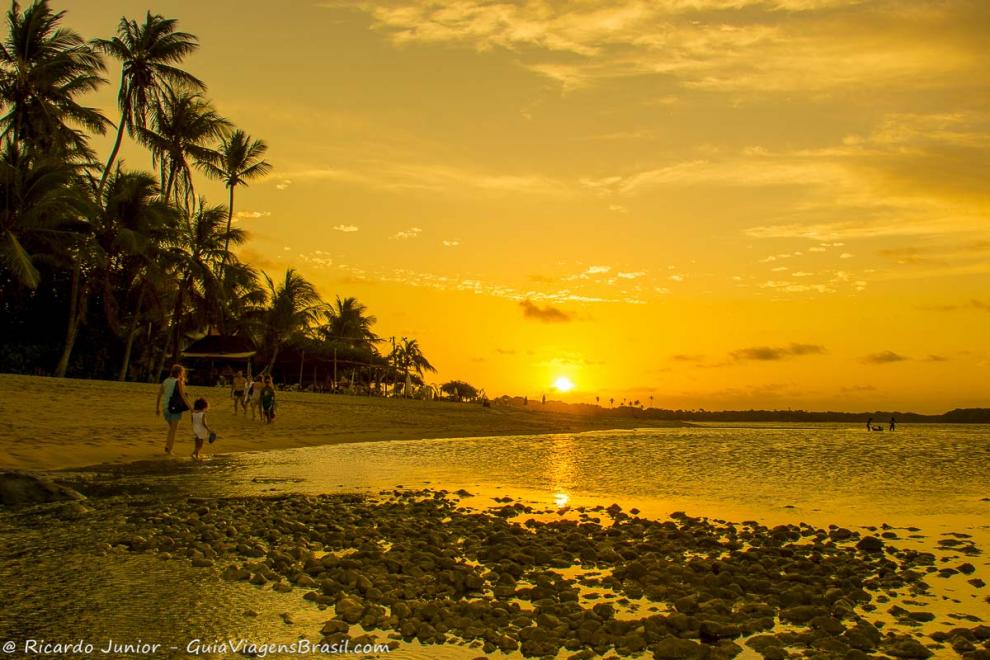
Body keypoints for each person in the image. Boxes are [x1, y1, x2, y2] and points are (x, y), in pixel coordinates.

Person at [155, 364, 192, 455]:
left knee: (172, 428)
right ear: (180, 373)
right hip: (174, 408)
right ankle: (169, 449)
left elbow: (159, 395)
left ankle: (168, 446)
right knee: (173, 429)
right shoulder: (178, 381)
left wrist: (157, 408)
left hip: (165, 408)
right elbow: (183, 396)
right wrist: (191, 408)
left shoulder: (166, 381)